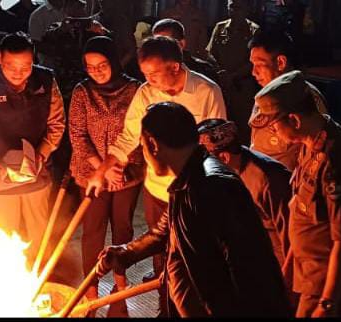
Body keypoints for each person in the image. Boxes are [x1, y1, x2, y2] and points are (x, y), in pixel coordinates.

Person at [95, 102, 291, 317]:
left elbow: (245, 271)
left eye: (141, 145)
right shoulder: (189, 179)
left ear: (152, 144)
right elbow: (165, 231)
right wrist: (125, 253)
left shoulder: (211, 188)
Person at [87, 35, 226, 316]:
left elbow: (217, 144)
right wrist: (103, 169)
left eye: (153, 73)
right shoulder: (147, 93)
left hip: (192, 192)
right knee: (162, 254)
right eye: (145, 74)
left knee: (190, 256)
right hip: (158, 190)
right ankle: (166, 306)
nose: (148, 80)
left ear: (175, 67)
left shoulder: (206, 92)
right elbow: (130, 136)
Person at [250, 70, 341, 317]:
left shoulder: (337, 158)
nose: (272, 132)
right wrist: (288, 274)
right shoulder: (310, 145)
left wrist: (327, 303)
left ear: (295, 120)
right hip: (309, 276)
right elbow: (302, 216)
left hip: (332, 285)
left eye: (274, 126)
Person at [0, 33, 65, 249]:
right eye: (11, 66)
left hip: (37, 172)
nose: (18, 73)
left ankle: (37, 277)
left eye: (25, 66)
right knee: (2, 239)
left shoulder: (46, 81)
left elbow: (57, 124)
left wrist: (41, 154)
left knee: (39, 236)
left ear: (33, 60)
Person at [68, 36, 144, 317]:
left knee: (122, 232)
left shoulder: (135, 90)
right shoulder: (82, 92)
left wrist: (118, 168)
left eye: (102, 65)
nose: (96, 71)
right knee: (93, 233)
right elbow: (77, 135)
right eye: (90, 67)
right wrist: (103, 168)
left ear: (113, 61)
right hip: (91, 174)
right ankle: (91, 295)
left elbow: (137, 132)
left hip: (127, 172)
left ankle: (119, 294)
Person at [197, 119, 291, 267]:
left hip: (276, 263)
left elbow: (291, 240)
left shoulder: (268, 180)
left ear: (224, 158)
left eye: (205, 161)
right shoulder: (225, 176)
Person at [248, 30, 327, 171]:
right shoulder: (266, 95)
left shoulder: (305, 97)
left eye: (259, 65)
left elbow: (316, 156)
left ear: (280, 62)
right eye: (252, 65)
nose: (254, 72)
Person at [206, 0, 260, 146]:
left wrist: (233, 76)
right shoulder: (220, 27)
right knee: (220, 123)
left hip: (242, 86)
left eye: (239, 8)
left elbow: (254, 60)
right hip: (221, 84)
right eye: (232, 7)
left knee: (242, 124)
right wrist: (219, 72)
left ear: (247, 9)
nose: (235, 11)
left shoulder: (254, 30)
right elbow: (210, 53)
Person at [151, 18, 218, 84]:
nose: (159, 50)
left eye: (165, 44)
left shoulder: (203, 71)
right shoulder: (150, 70)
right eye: (156, 44)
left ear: (181, 44)